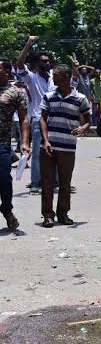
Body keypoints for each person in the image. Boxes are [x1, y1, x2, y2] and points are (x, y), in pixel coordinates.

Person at [39, 65, 91, 227]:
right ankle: (48, 215)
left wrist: (83, 128)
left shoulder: (80, 98)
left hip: (67, 147)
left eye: (56, 75)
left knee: (65, 182)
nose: (52, 78)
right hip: (48, 146)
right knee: (47, 182)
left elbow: (88, 120)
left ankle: (63, 213)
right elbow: (42, 119)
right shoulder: (48, 96)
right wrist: (45, 140)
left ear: (66, 77)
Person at [15, 35, 51, 194]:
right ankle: (35, 182)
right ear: (36, 64)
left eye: (48, 61)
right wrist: (28, 44)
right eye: (44, 61)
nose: (47, 63)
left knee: (54, 151)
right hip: (37, 118)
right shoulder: (31, 77)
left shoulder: (53, 78)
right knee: (36, 152)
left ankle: (52, 181)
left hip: (53, 119)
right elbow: (19, 64)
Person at [0, 57, 30, 230]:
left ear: (6, 71)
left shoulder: (16, 92)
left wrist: (24, 143)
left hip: (3, 143)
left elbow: (24, 119)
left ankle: (7, 210)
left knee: (4, 180)